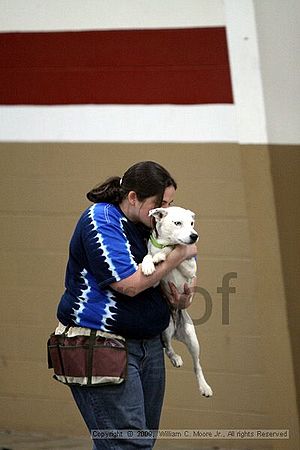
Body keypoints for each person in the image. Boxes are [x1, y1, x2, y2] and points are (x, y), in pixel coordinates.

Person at [56, 161, 197, 449]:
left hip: (148, 344)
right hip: (101, 343)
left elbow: (184, 272)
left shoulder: (151, 224)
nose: (166, 210)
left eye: (170, 203)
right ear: (133, 197)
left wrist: (185, 292)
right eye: (161, 203)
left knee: (139, 441)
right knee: (129, 445)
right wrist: (177, 256)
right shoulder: (101, 219)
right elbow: (129, 284)